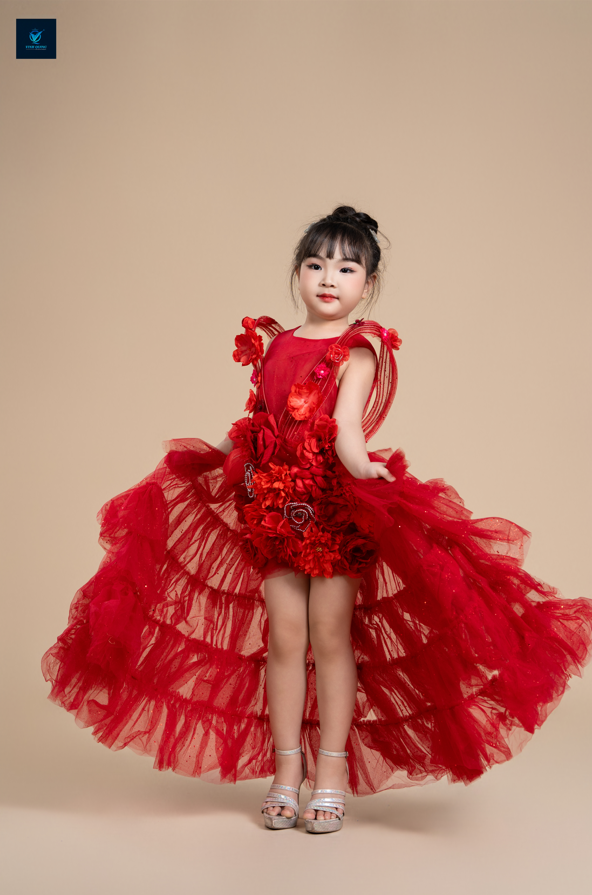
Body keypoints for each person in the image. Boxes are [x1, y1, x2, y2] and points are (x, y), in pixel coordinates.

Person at [42, 206, 592, 835]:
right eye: (316, 264)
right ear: (298, 273)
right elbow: (256, 420)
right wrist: (210, 456)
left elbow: (348, 431)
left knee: (329, 637)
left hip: (334, 507)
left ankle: (329, 773)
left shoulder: (357, 350)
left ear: (368, 284)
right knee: (283, 639)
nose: (329, 278)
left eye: (347, 268)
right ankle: (285, 771)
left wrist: (365, 472)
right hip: (273, 508)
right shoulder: (275, 345)